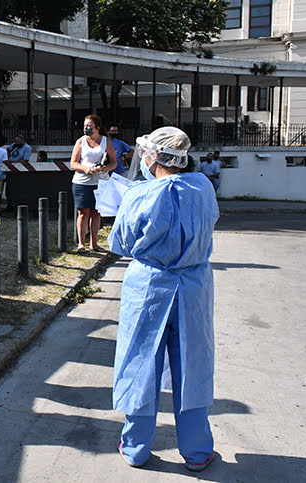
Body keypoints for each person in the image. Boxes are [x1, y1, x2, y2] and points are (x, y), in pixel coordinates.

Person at [109, 126, 219, 472]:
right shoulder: (203, 188)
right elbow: (210, 224)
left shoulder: (140, 194)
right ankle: (197, 449)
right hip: (193, 288)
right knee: (192, 366)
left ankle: (136, 446)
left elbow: (121, 242)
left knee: (141, 364)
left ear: (152, 157)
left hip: (149, 289)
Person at [70, 114, 117, 253]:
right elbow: (73, 163)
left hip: (101, 181)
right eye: (85, 126)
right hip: (82, 181)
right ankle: (81, 243)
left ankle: (94, 243)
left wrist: (102, 168)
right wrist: (85, 168)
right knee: (83, 212)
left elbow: (114, 163)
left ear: (97, 127)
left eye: (89, 126)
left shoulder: (105, 142)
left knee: (96, 213)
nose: (86, 128)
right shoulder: (81, 141)